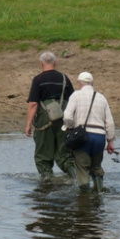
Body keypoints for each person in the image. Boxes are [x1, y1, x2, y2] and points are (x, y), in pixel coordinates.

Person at [25, 51, 76, 180]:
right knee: (65, 155)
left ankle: (48, 183)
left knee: (43, 156)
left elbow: (33, 104)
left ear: (41, 63)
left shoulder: (38, 80)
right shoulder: (64, 78)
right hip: (64, 119)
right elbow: (74, 100)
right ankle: (76, 178)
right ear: (55, 63)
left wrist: (28, 124)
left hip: (44, 121)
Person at [62, 72, 116, 193]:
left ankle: (85, 197)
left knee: (82, 168)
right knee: (96, 167)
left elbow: (67, 116)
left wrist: (70, 127)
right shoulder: (101, 97)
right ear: (92, 83)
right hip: (100, 138)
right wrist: (110, 141)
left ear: (80, 83)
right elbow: (110, 123)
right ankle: (99, 192)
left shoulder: (75, 95)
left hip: (83, 138)